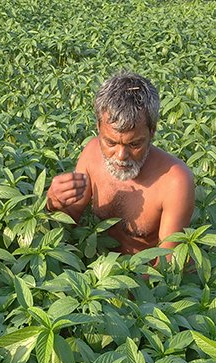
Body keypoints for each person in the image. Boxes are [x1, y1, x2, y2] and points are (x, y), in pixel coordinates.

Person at [46, 71, 195, 255]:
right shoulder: (91, 153)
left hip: (145, 276)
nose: (121, 155)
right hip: (98, 266)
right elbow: (71, 220)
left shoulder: (175, 181)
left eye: (134, 144)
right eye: (110, 142)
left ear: (152, 132)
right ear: (98, 127)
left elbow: (168, 262)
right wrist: (53, 203)